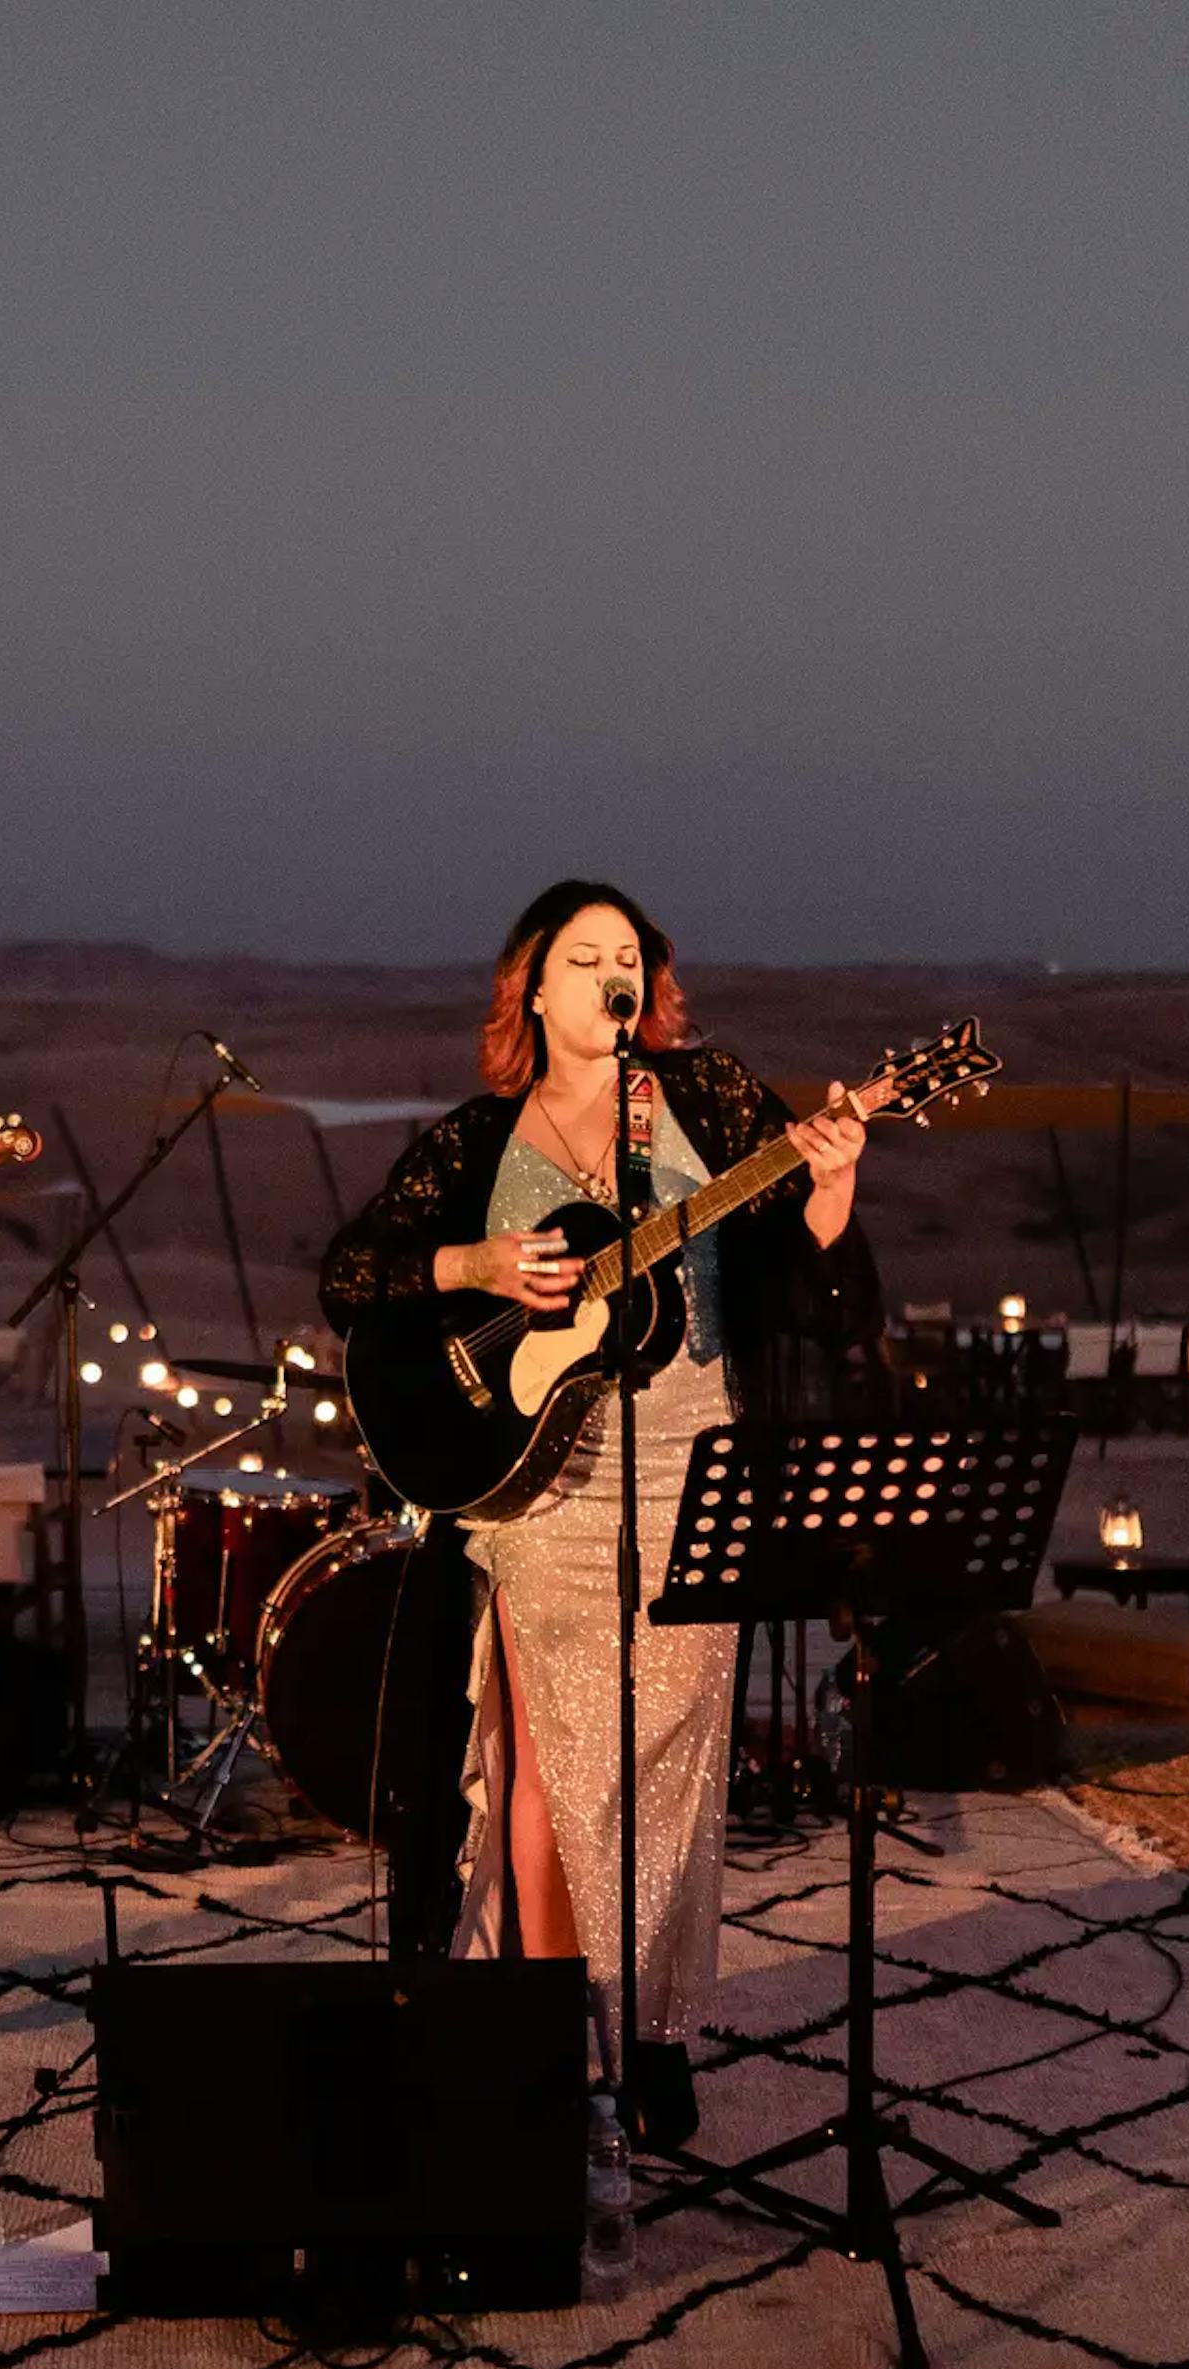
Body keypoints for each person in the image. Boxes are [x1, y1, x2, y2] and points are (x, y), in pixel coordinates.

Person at [318, 881, 877, 2147]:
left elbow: (805, 1278)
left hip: (692, 1470)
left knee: (670, 1769)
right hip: (543, 1493)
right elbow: (351, 1272)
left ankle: (658, 2033)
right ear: (533, 987)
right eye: (585, 957)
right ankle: (547, 2022)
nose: (611, 975)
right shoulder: (477, 1140)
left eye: (630, 957)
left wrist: (830, 1192)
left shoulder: (715, 1099)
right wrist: (477, 1265)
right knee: (550, 1773)